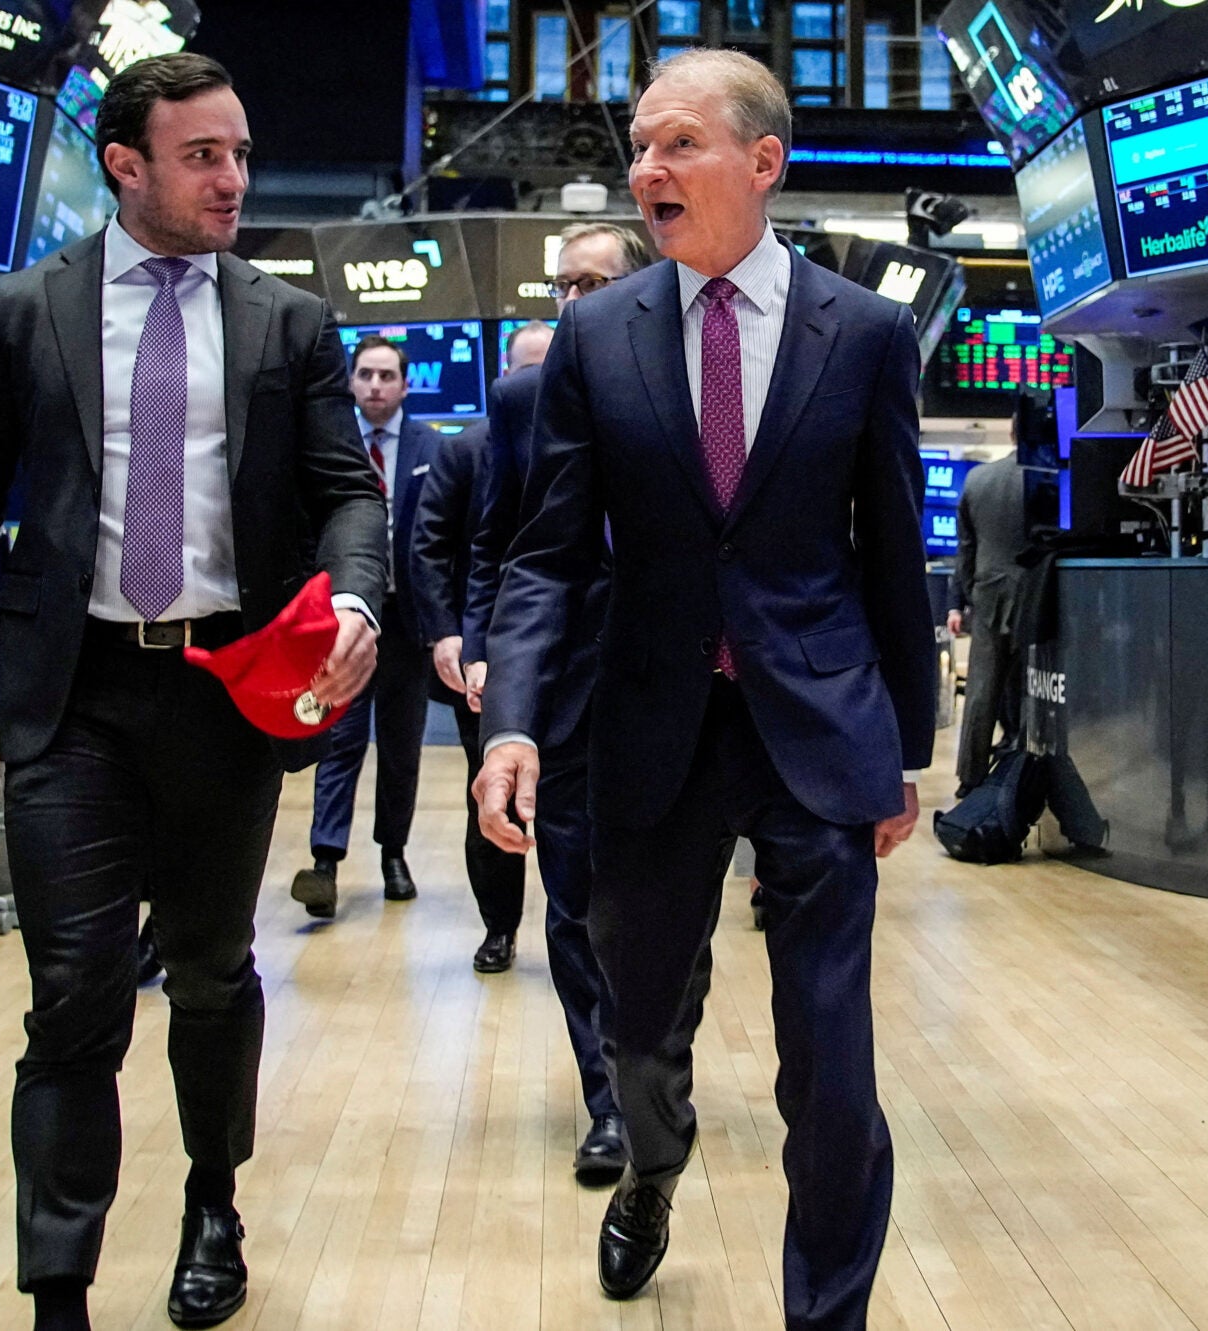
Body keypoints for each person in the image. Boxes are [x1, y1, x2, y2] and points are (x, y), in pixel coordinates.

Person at [0, 53, 387, 1331]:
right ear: (126, 165)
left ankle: (212, 1200)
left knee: (211, 968)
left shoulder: (288, 321)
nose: (233, 179)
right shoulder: (24, 312)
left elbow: (348, 493)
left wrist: (353, 601)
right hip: (68, 699)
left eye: (240, 153)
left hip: (220, 694)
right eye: (202, 157)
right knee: (74, 987)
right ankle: (58, 1285)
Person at [473, 49, 935, 1329]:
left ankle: (825, 1310)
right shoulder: (596, 334)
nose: (646, 170)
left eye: (677, 143)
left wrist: (905, 748)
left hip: (816, 727)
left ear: (762, 162)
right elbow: (548, 554)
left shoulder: (866, 333)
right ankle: (651, 1165)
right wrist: (511, 723)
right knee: (638, 1029)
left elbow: (892, 551)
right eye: (639, 146)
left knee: (830, 1059)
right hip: (648, 723)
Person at [467, 224, 652, 1186]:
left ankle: (654, 1066)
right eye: (563, 287)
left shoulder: (691, 380)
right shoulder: (520, 401)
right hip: (567, 685)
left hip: (674, 684)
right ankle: (608, 1099)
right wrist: (488, 656)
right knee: (574, 904)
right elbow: (502, 542)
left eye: (594, 284)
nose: (574, 303)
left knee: (666, 912)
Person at [287, 335, 442, 918]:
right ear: (350, 382)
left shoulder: (433, 447)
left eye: (387, 376)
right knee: (339, 738)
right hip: (342, 620)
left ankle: (393, 853)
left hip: (407, 620)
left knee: (402, 745)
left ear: (405, 385)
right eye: (366, 375)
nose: (375, 386)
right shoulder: (330, 444)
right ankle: (325, 860)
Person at [407, 326, 544, 974]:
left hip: (573, 653)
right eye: (525, 373)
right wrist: (446, 632)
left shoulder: (599, 438)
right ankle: (500, 927)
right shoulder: (465, 450)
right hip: (484, 652)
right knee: (489, 788)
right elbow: (430, 545)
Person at [947, 393, 1048, 796]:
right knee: (1033, 689)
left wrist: (971, 594)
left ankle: (969, 777)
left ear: (1011, 433)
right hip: (1035, 595)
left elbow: (966, 551)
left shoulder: (976, 480)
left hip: (988, 593)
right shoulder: (1047, 479)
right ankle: (1023, 775)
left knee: (981, 691)